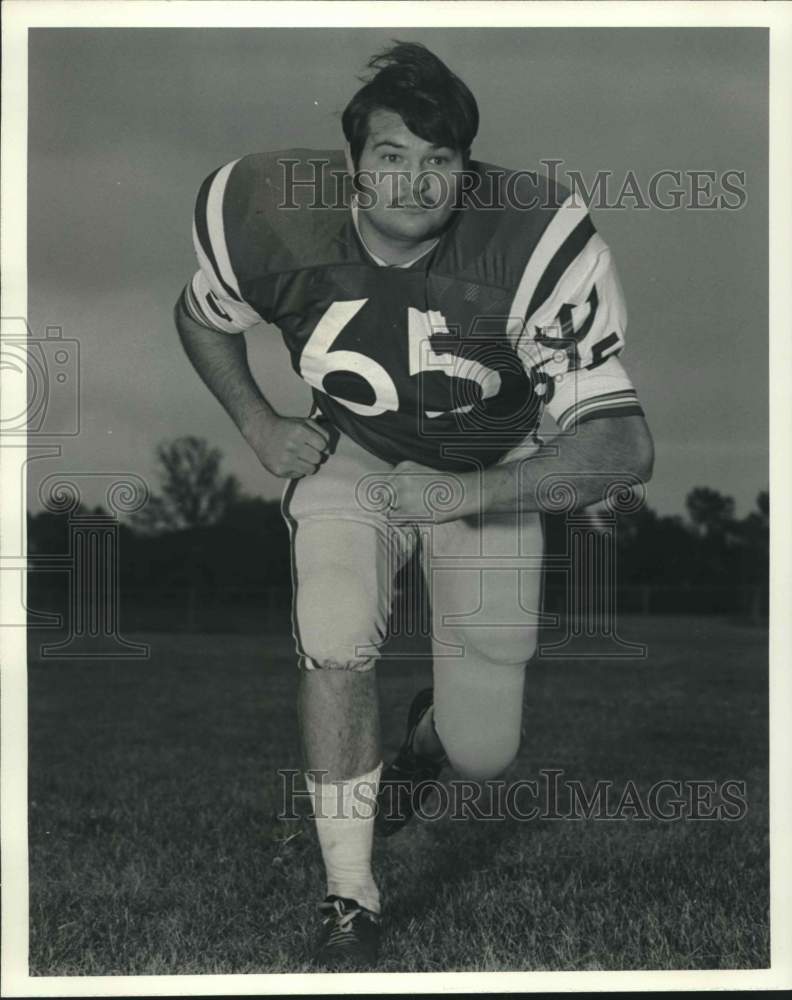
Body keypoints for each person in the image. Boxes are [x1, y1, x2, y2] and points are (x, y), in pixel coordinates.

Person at [174, 41, 653, 970]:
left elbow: (620, 446)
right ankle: (349, 892)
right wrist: (260, 425)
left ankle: (430, 742)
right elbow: (201, 316)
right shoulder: (268, 211)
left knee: (484, 751)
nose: (414, 181)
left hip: (492, 463)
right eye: (391, 156)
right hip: (354, 457)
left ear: (466, 169)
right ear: (352, 165)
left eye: (440, 161)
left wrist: (465, 490)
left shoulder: (534, 239)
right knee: (335, 629)